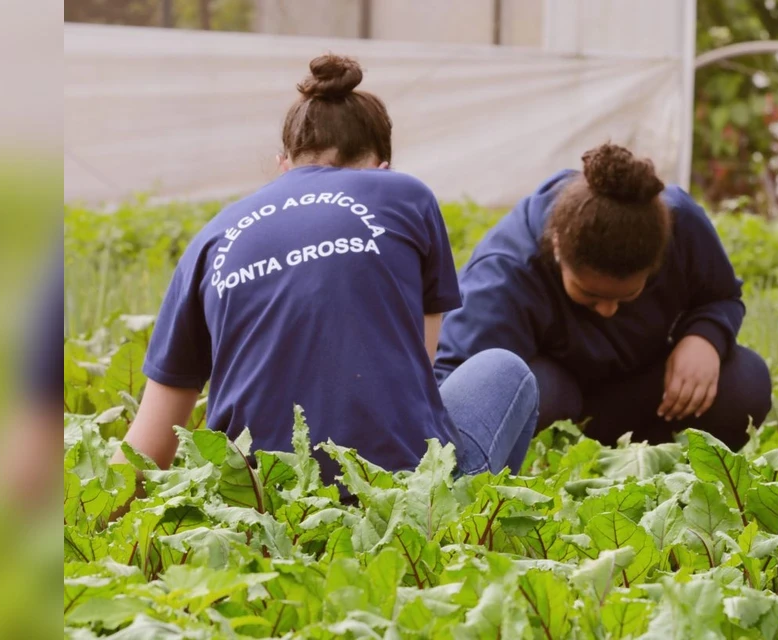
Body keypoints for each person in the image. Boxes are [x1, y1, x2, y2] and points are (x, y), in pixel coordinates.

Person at [117, 53, 538, 484]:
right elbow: (419, 375)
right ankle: (458, 536)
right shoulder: (405, 195)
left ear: (284, 166)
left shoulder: (211, 238)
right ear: (383, 168)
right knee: (504, 371)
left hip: (254, 506)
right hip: (396, 500)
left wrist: (85, 525)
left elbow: (148, 445)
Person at [435, 143, 771, 451]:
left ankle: (644, 461)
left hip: (638, 394)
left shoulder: (680, 224)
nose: (608, 311)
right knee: (540, 388)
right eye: (589, 294)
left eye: (628, 296)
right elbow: (458, 390)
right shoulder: (503, 274)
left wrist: (705, 337)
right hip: (556, 412)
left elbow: (721, 296)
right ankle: (562, 466)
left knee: (745, 381)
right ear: (556, 248)